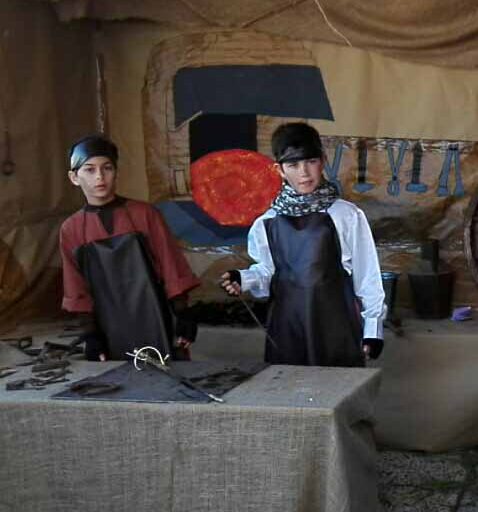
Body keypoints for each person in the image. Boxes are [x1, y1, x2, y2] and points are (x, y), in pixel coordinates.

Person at [219, 122, 385, 366]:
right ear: (280, 169)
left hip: (335, 324)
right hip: (288, 325)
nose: (304, 173)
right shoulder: (267, 222)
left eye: (310, 162)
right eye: (293, 165)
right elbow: (266, 273)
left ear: (323, 160)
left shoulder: (346, 215)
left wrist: (373, 328)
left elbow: (367, 274)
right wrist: (242, 279)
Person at [59, 134, 201, 360]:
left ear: (116, 171)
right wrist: (90, 333)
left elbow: (170, 264)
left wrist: (183, 314)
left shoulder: (144, 214)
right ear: (74, 177)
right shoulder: (71, 229)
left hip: (156, 319)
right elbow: (76, 286)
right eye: (89, 170)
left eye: (107, 168)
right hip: (109, 326)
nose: (99, 177)